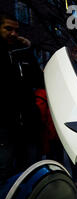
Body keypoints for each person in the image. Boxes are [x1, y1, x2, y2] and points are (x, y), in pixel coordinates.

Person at [0, 13, 44, 182]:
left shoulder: (23, 52)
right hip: (5, 123)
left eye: (16, 30)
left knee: (31, 169)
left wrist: (28, 52)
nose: (13, 33)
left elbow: (38, 80)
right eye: (8, 29)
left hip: (28, 121)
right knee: (5, 168)